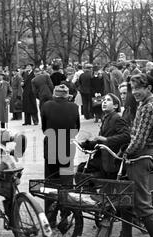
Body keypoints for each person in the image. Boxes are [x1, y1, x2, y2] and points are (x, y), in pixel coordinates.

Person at [107, 73, 153, 237]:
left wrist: (125, 152)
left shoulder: (148, 107)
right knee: (126, 193)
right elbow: (137, 130)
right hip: (144, 152)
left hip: (141, 156)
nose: (134, 93)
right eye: (132, 89)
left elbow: (140, 139)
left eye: (138, 89)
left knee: (142, 203)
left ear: (148, 88)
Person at [41, 84, 80, 212]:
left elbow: (44, 128)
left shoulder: (46, 105)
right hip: (67, 146)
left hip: (51, 145)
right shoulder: (74, 107)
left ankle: (50, 215)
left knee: (51, 182)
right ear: (67, 96)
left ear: (54, 95)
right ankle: (66, 213)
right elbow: (77, 128)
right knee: (67, 182)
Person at [76, 93, 130, 180]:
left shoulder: (117, 118)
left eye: (108, 100)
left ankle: (92, 192)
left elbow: (126, 136)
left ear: (115, 106)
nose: (104, 102)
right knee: (82, 169)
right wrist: (86, 144)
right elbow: (100, 140)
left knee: (83, 171)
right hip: (103, 157)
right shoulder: (106, 118)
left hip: (111, 160)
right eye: (103, 100)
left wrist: (107, 139)